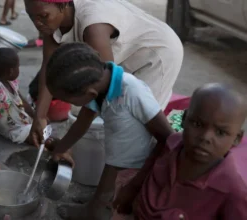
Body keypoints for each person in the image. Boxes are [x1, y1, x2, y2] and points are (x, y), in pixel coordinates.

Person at [24, 0, 183, 148]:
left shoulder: (93, 27)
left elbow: (100, 93)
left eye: (43, 16)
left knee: (142, 125)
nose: (37, 23)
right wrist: (39, 117)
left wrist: (66, 144)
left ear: (63, 5)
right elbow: (48, 66)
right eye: (31, 17)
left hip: (158, 53)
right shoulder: (49, 24)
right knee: (120, 119)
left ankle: (166, 163)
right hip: (127, 54)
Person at [45, 43, 174, 220]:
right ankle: (94, 206)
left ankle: (95, 211)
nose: (68, 103)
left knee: (118, 207)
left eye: (68, 100)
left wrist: (136, 184)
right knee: (105, 192)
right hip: (115, 159)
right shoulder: (98, 86)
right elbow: (82, 123)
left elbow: (168, 138)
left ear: (89, 94)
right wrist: (61, 148)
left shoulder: (132, 91)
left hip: (135, 167)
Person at [135, 83, 247, 219]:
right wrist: (131, 189)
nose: (205, 137)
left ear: (237, 138)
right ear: (184, 119)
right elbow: (149, 167)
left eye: (220, 132)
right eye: (197, 124)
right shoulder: (171, 143)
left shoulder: (233, 191)